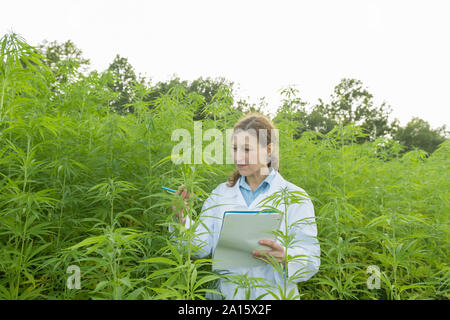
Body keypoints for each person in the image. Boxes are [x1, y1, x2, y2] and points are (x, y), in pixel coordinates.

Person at [170, 113, 320, 300]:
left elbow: (311, 259)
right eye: (234, 148)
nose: (238, 156)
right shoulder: (220, 194)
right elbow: (201, 248)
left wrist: (286, 257)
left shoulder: (295, 197)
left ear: (268, 150)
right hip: (226, 296)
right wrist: (181, 219)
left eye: (247, 149)